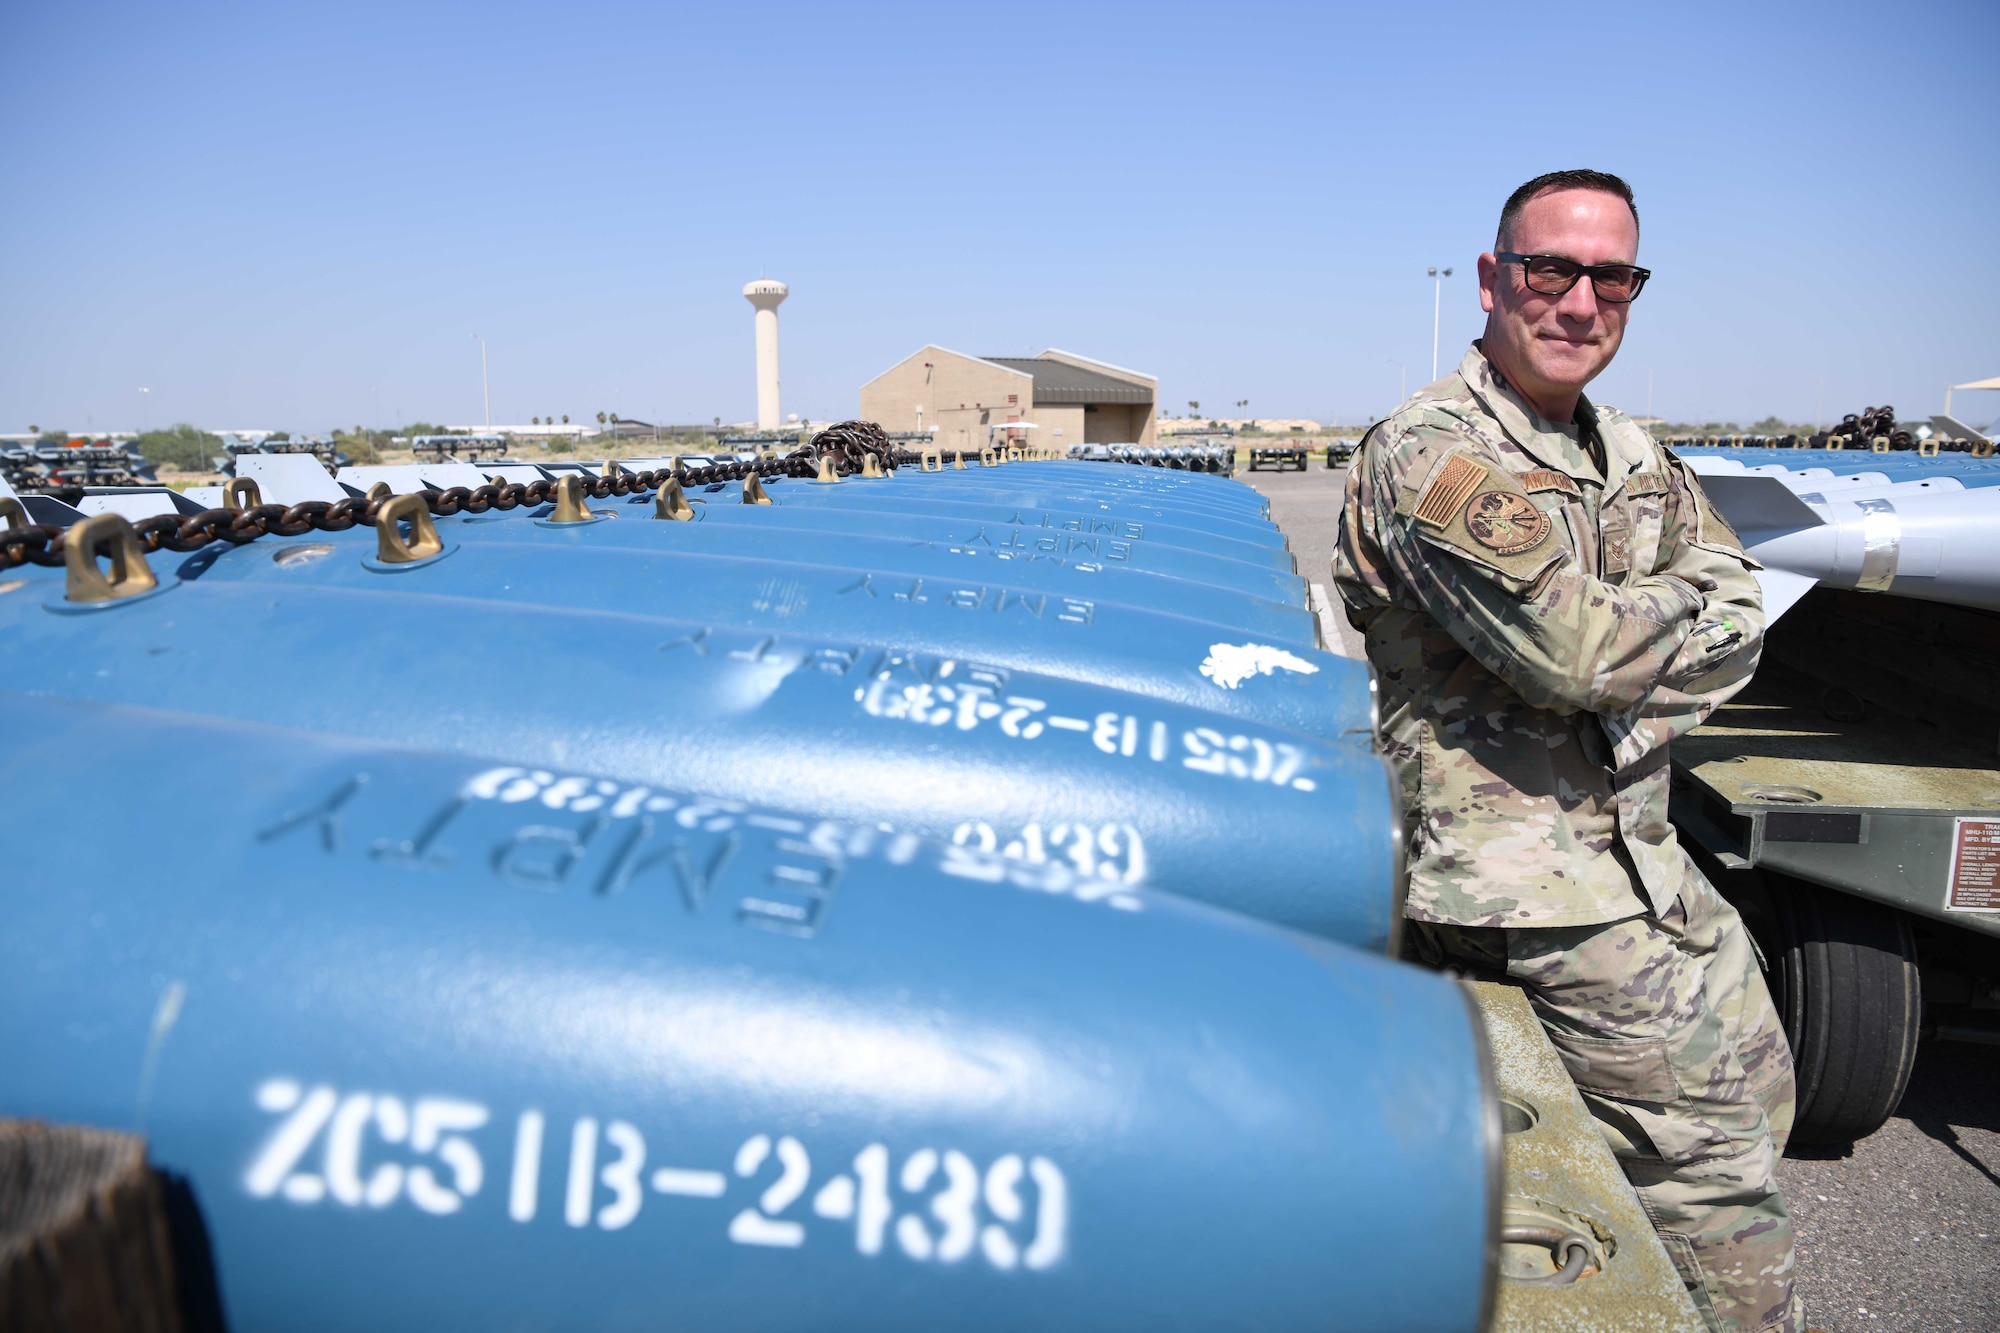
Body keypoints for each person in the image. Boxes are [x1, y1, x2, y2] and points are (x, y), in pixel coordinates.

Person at [1332, 169, 1801, 1333]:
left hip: (1636, 853)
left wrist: (1659, 627)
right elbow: (1570, 655)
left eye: (1611, 277)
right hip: (1521, 891)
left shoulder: (1626, 448)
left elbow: (1748, 606)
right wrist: (1663, 625)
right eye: (1550, 270)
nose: (1579, 301)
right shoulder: (1432, 455)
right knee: (1708, 1185)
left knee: (1760, 1093)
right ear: (1493, 279)